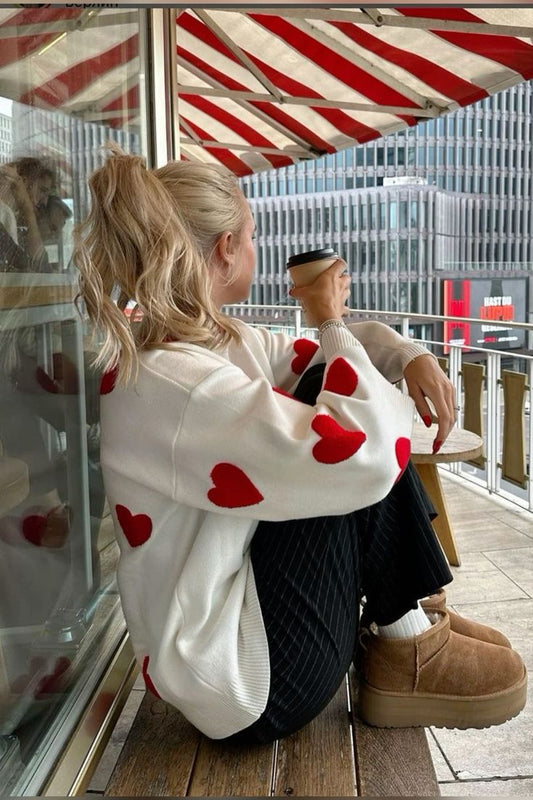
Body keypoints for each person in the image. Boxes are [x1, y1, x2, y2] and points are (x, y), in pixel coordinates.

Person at [74, 145, 526, 743]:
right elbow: (361, 449)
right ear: (226, 247)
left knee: (331, 402)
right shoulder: (177, 384)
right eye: (252, 235)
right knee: (343, 445)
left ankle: (412, 621)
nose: (255, 248)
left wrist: (407, 352)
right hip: (253, 684)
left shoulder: (204, 347)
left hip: (233, 642)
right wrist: (328, 314)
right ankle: (408, 641)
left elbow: (315, 361)